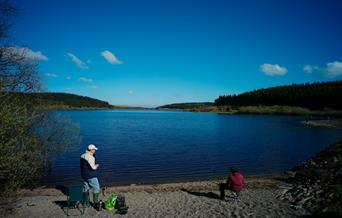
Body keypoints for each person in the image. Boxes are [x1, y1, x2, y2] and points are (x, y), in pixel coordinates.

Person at [80, 144, 101, 210]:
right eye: (94, 149)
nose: (95, 150)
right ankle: (95, 204)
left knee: (85, 188)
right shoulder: (90, 157)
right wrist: (97, 165)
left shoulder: (82, 155)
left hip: (84, 175)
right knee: (97, 188)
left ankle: (86, 203)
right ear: (91, 150)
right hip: (91, 175)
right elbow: (93, 167)